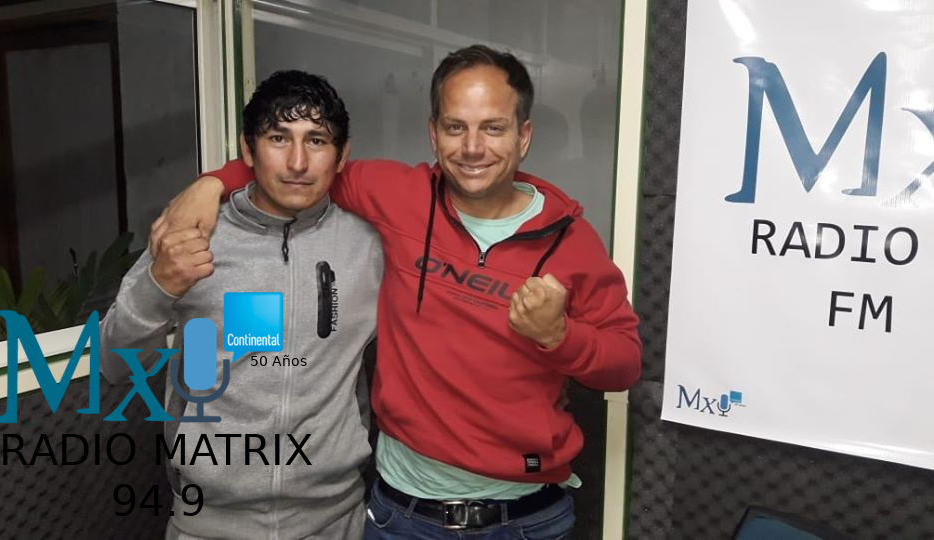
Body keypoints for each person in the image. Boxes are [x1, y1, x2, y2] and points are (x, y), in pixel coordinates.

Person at [152, 45, 641, 539]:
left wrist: (559, 336)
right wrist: (213, 183)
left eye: (493, 128)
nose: (473, 148)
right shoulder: (396, 195)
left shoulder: (569, 241)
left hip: (523, 519)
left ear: (524, 135)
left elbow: (624, 364)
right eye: (455, 127)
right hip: (401, 516)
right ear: (433, 133)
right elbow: (302, 171)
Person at [100, 70, 382, 539]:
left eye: (316, 140)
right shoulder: (192, 233)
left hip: (336, 521)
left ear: (342, 155)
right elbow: (114, 365)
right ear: (248, 151)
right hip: (207, 525)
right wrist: (158, 286)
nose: (297, 162)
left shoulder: (368, 246)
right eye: (278, 138)